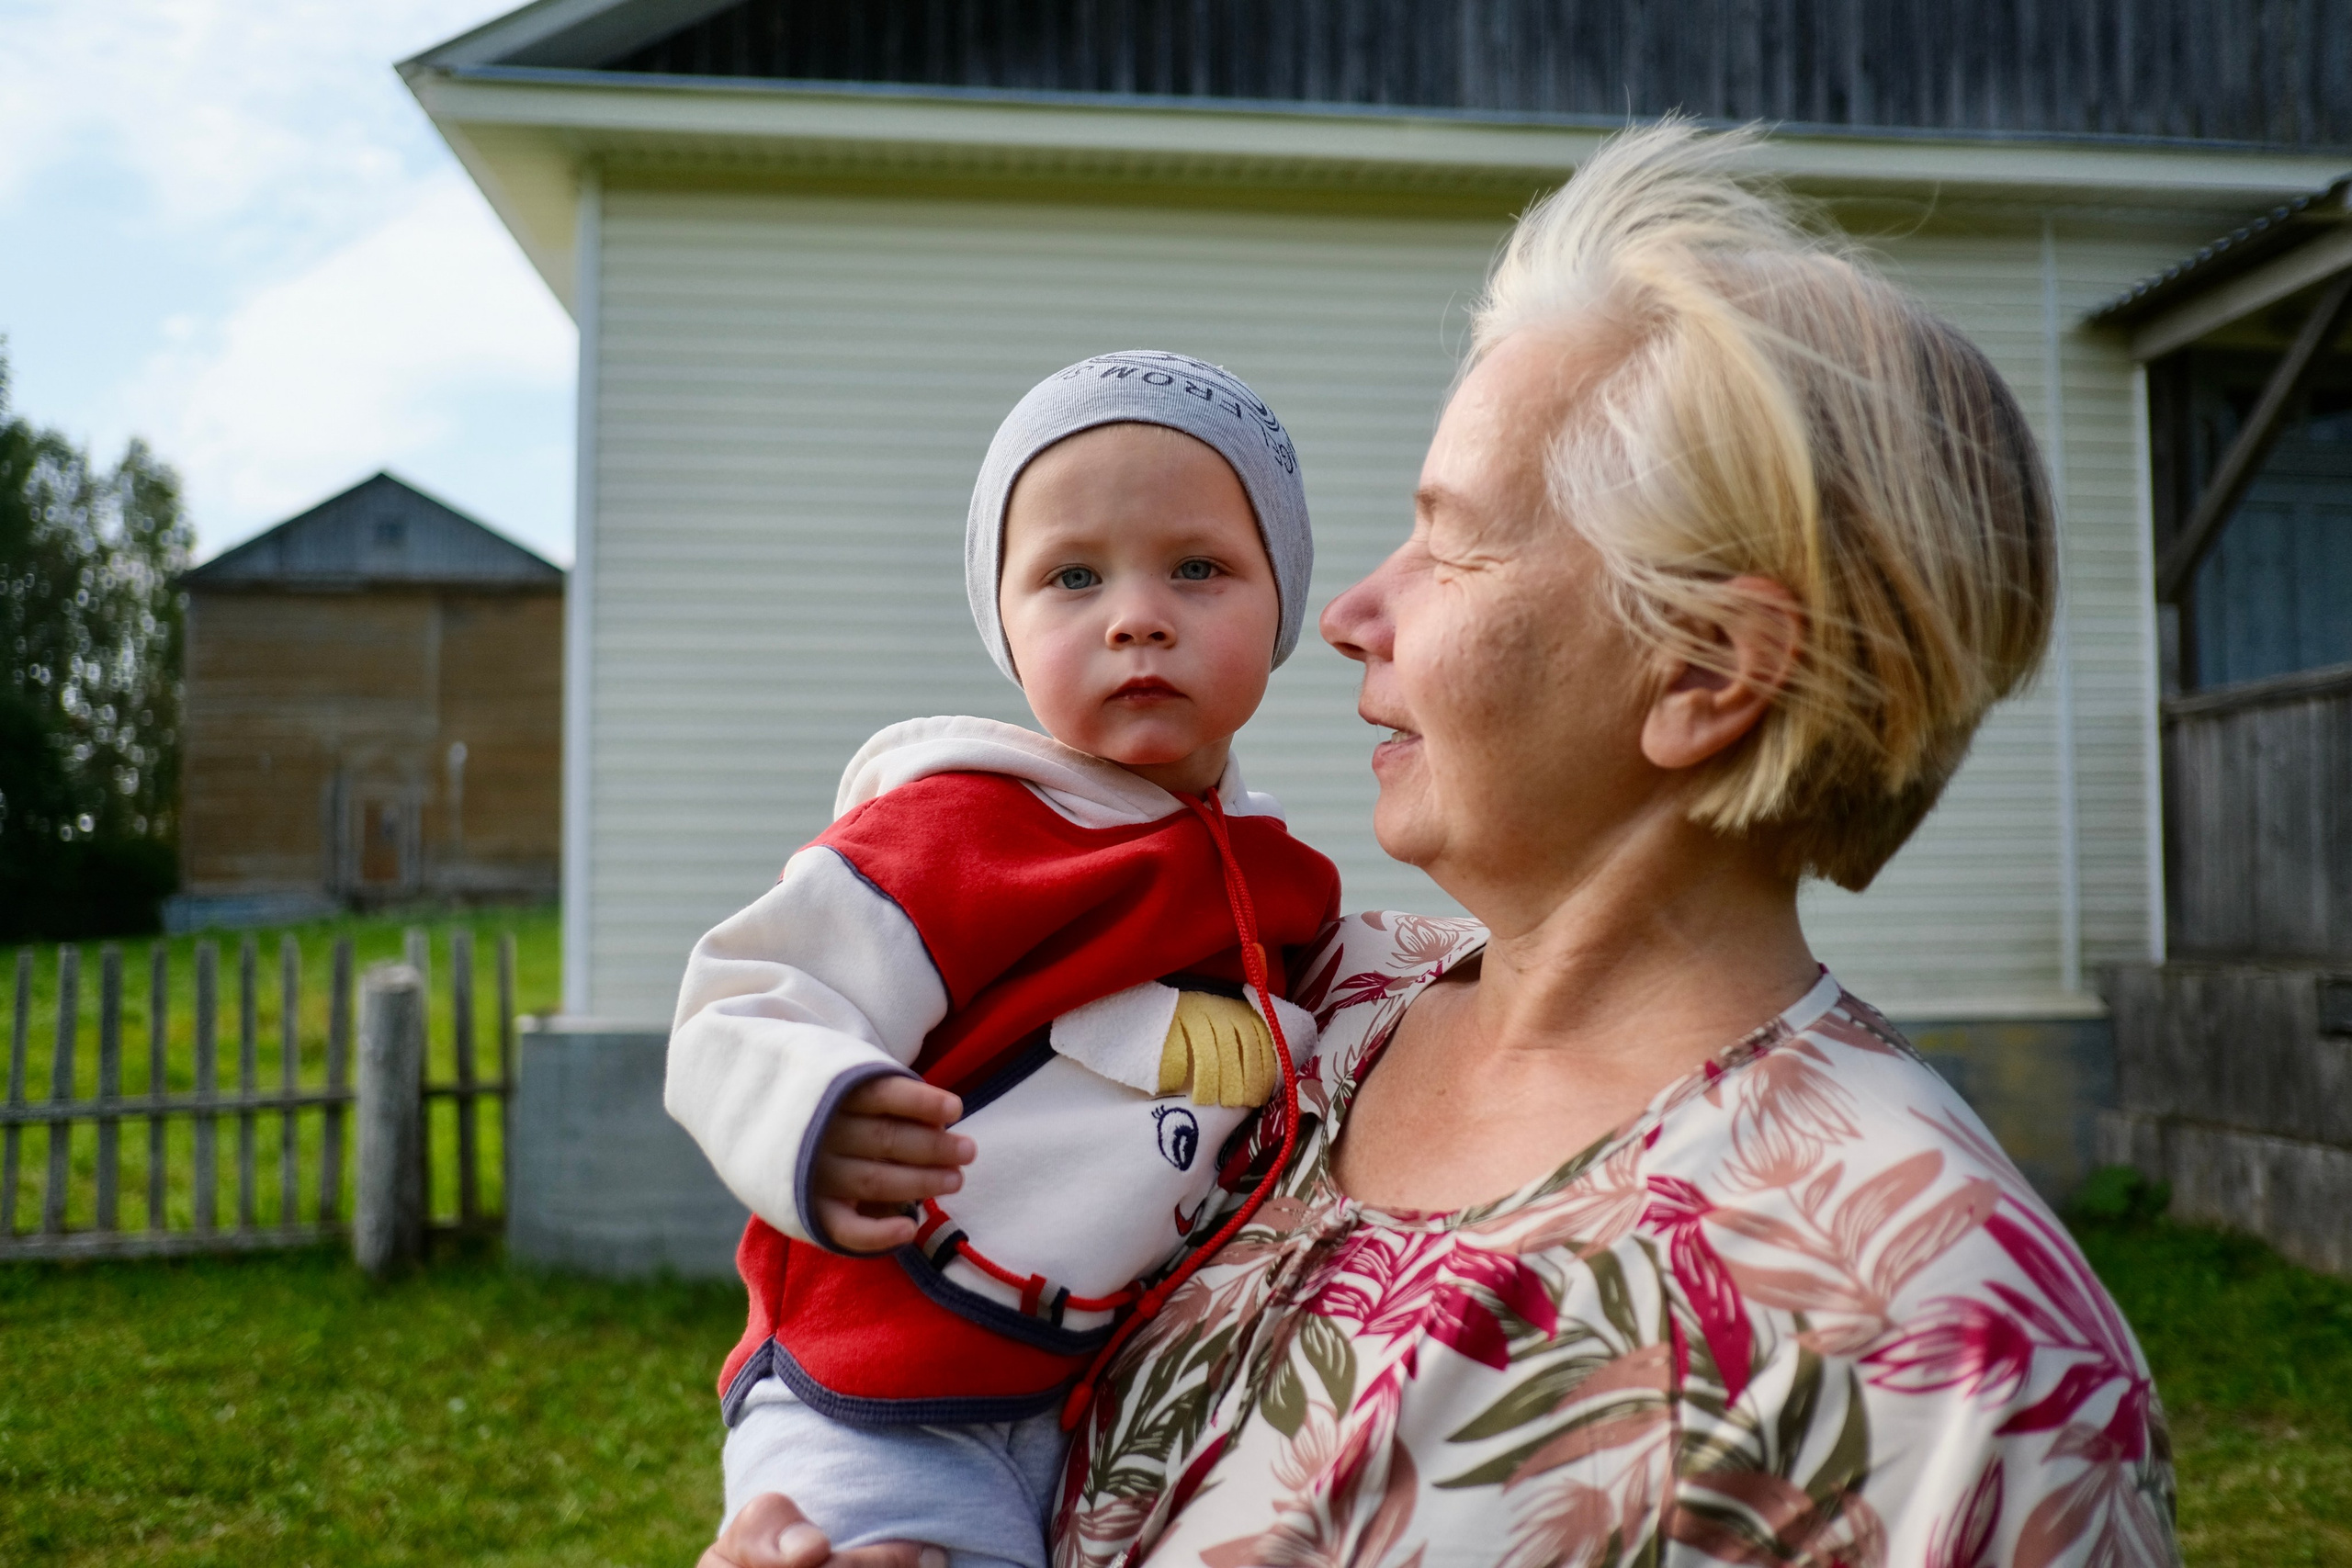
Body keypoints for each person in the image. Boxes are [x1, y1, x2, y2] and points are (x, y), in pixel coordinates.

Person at [708, 122, 2179, 1568]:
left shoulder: (1946, 1358)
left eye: (1451, 540)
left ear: (1705, 672)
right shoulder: (1320, 1001)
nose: (1346, 611)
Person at [666, 351, 1343, 1568]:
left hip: (1086, 1397)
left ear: (1282, 604)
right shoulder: (959, 832)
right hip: (877, 1385)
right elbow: (739, 999)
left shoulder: (1283, 885)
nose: (1138, 613)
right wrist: (824, 1114)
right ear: (1006, 625)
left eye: (1199, 567)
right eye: (1073, 575)